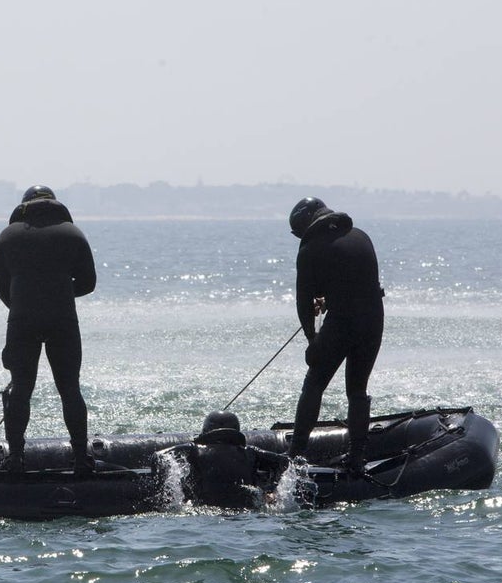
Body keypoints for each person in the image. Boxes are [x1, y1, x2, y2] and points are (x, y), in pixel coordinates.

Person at [0, 185, 97, 474]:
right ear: (55, 204)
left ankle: (15, 459)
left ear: (24, 206)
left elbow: (4, 290)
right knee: (69, 388)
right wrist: (57, 293)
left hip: (22, 319)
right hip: (62, 318)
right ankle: (81, 459)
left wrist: (29, 300)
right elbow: (88, 283)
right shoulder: (73, 234)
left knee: (20, 389)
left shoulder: (7, 236)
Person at [287, 197, 385, 475]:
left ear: (305, 224)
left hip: (343, 322)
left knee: (314, 382)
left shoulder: (310, 249)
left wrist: (312, 340)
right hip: (373, 319)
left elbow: (303, 302)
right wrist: (330, 299)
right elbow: (353, 281)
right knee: (357, 389)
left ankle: (295, 456)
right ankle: (356, 458)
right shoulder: (361, 236)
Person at [156, 411, 290, 509]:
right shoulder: (251, 452)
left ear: (205, 432)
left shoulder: (193, 450)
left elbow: (159, 456)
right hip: (243, 513)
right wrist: (269, 489)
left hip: (204, 511)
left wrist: (174, 490)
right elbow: (285, 462)